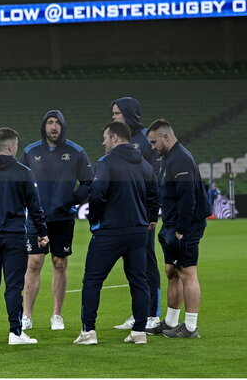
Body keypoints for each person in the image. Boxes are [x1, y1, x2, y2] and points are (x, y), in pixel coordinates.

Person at [74, 121, 158, 345]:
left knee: (92, 280)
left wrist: (95, 220)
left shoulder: (106, 162)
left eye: (105, 138)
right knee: (139, 280)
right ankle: (139, 331)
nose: (103, 142)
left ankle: (88, 332)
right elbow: (153, 198)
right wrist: (149, 220)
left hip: (110, 231)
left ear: (115, 138)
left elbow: (98, 193)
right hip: (139, 232)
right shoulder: (146, 165)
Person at [0, 128, 48, 346]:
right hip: (14, 237)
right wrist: (42, 233)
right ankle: (15, 333)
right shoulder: (23, 172)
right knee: (13, 286)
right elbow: (35, 206)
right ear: (12, 146)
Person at [20, 110, 93, 332]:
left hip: (62, 218)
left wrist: (72, 200)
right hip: (36, 218)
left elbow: (89, 182)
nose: (54, 127)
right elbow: (19, 181)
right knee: (34, 264)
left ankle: (57, 315)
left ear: (63, 126)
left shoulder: (76, 151)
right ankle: (26, 316)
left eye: (57, 123)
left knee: (59, 264)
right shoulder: (30, 152)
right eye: (50, 123)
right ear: (44, 126)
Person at [147, 119, 210, 338]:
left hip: (186, 225)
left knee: (187, 272)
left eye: (154, 142)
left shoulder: (181, 159)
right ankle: (171, 322)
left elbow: (188, 196)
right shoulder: (168, 159)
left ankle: (191, 327)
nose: (153, 147)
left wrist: (182, 229)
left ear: (166, 137)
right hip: (172, 223)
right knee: (172, 271)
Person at [110, 97, 163, 332]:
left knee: (147, 261)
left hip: (142, 213)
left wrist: (152, 212)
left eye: (117, 113)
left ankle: (153, 314)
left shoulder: (145, 140)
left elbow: (154, 178)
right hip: (126, 211)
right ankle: (140, 313)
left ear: (129, 114)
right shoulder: (126, 140)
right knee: (133, 264)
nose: (114, 118)